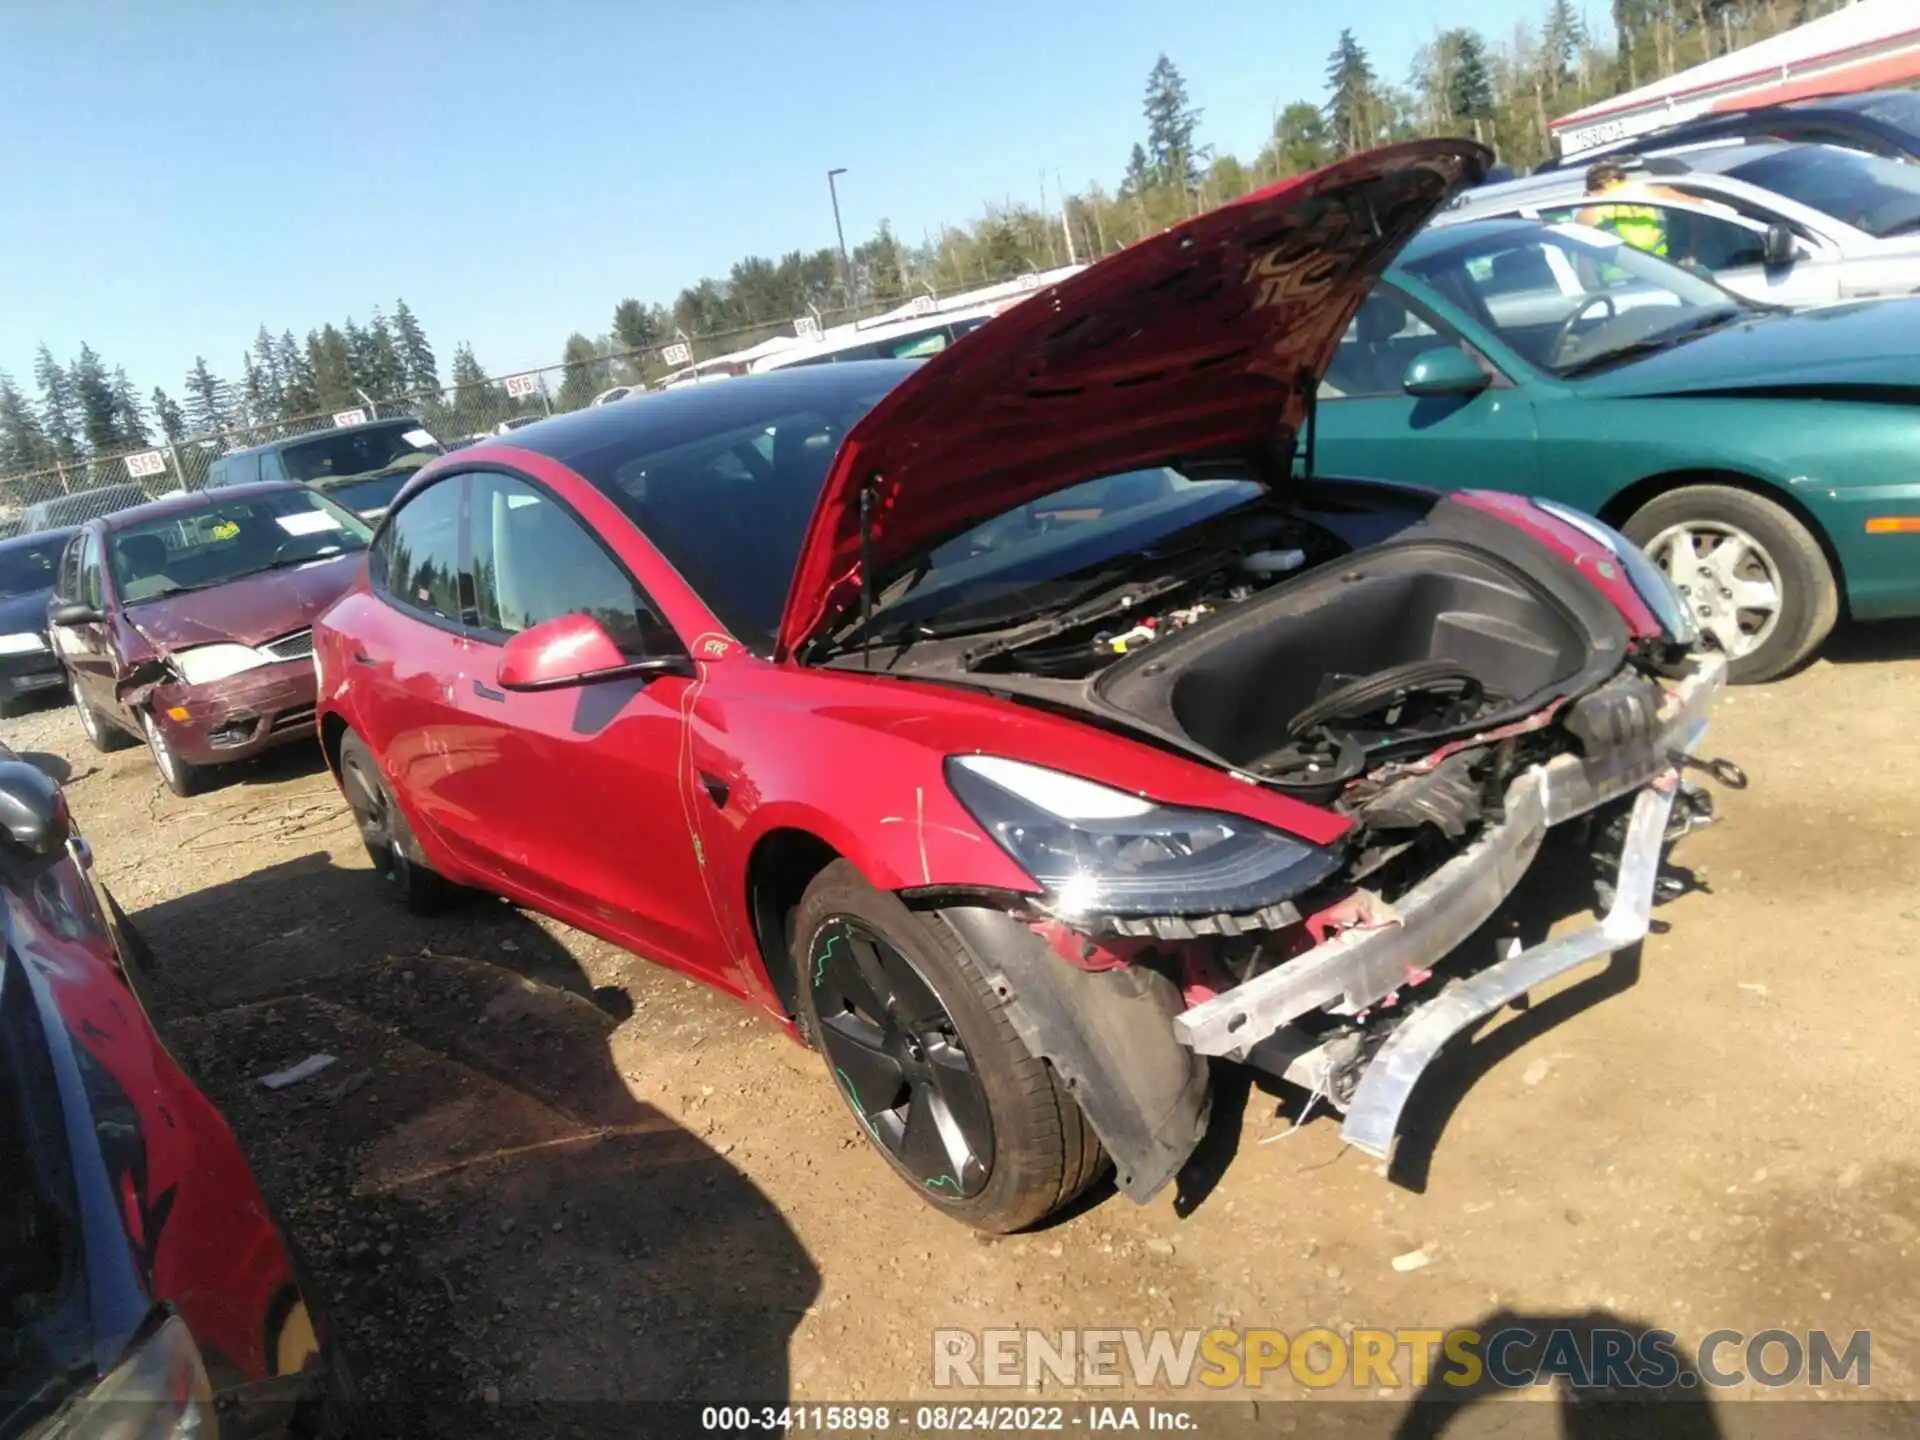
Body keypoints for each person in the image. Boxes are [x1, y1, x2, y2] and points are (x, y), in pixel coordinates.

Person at [1573, 159, 1691, 257]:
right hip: (1660, 267)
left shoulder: (1596, 206)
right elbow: (1696, 204)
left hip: (1627, 276)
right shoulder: (1646, 191)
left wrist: (1589, 203)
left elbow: (1579, 236)